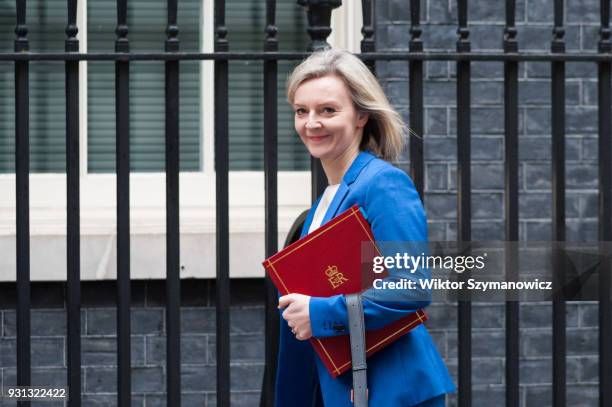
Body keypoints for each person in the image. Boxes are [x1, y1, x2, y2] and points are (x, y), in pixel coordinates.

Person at [275, 48, 455, 407]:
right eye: (301, 111)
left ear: (361, 115)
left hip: (392, 391)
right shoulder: (322, 205)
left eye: (328, 110)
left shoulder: (383, 184)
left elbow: (411, 287)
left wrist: (320, 313)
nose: (311, 123)